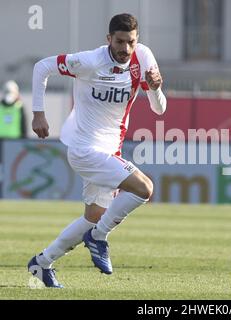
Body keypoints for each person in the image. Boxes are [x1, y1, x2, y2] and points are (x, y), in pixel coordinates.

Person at [28, 13, 167, 287]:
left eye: (131, 42)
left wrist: (155, 88)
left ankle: (41, 263)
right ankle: (99, 237)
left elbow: (159, 109)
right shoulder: (89, 61)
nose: (126, 49)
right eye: (120, 41)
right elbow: (41, 67)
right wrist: (38, 113)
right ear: (109, 40)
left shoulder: (143, 57)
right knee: (144, 189)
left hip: (110, 150)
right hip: (83, 149)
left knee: (93, 217)